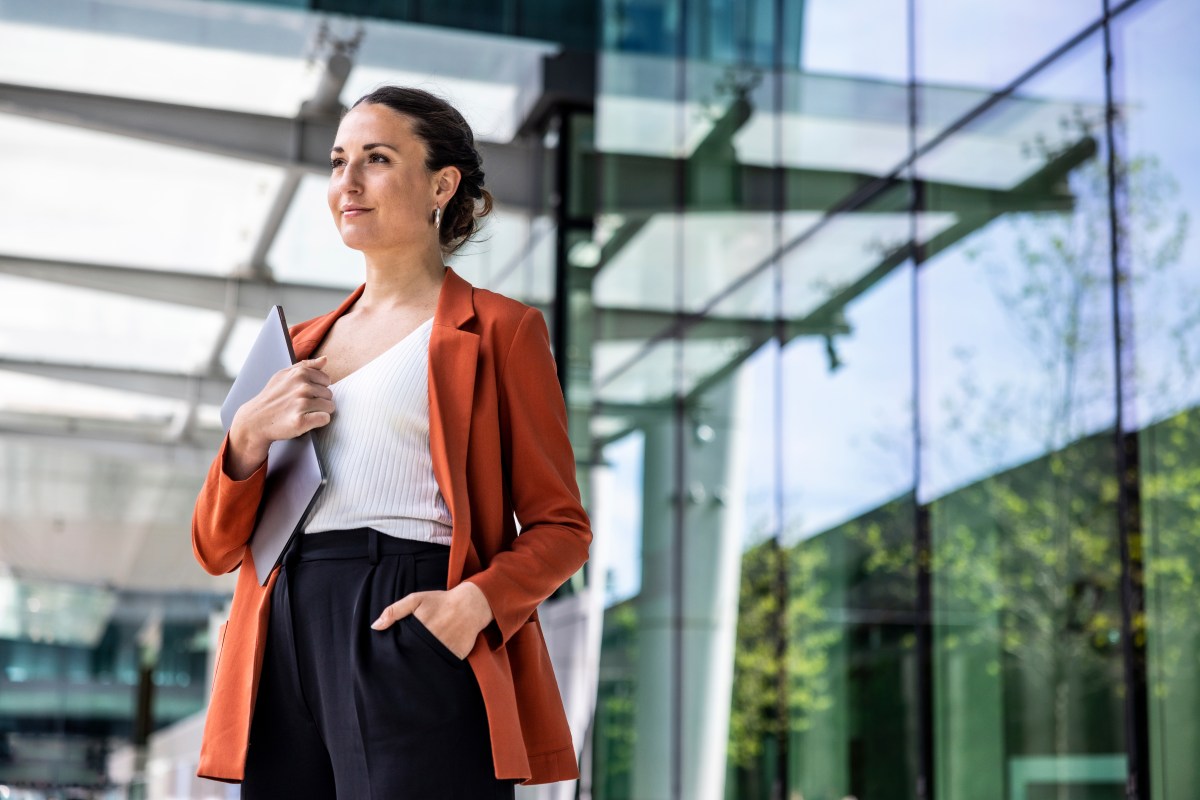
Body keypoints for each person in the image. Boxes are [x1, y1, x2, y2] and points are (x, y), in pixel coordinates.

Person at [190, 86, 592, 799]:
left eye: (376, 160)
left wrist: (471, 605)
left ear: (442, 184)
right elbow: (217, 548)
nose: (347, 182)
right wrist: (247, 434)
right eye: (340, 160)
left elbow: (561, 528)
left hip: (407, 614)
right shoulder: (296, 347)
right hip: (280, 627)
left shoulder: (502, 331)